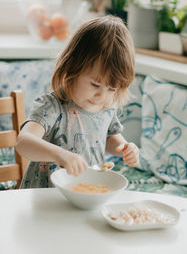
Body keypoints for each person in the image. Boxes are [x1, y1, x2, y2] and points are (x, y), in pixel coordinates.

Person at [16, 15, 139, 188]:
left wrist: (125, 148)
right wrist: (60, 155)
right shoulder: (52, 106)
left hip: (83, 191)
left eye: (112, 89)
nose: (102, 96)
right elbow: (24, 142)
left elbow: (109, 137)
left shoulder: (106, 108)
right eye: (95, 84)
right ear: (72, 67)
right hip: (45, 196)